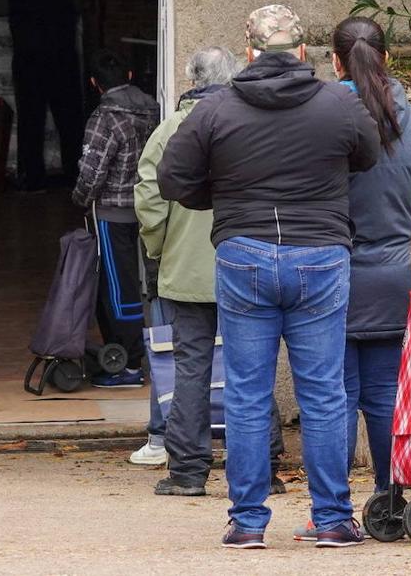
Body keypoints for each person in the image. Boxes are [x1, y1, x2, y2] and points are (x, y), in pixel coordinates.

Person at [158, 5, 381, 549]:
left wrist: (223, 201)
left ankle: (248, 522)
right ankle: (332, 518)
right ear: (302, 51)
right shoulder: (337, 103)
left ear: (250, 50)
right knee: (325, 392)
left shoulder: (216, 110)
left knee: (247, 393)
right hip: (321, 256)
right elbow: (368, 156)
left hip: (243, 255)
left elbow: (171, 179)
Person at [293, 17, 411, 540]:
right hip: (394, 273)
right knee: (384, 395)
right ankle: (389, 498)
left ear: (334, 61)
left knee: (331, 399)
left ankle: (330, 511)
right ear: (387, 58)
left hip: (333, 273)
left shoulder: (324, 119)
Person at [132, 47, 289, 495]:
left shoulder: (167, 132)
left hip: (186, 270)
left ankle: (187, 471)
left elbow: (149, 200)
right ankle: (263, 467)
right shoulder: (249, 125)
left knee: (191, 368)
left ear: (189, 77)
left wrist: (162, 250)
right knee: (251, 368)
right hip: (249, 261)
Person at [71, 50, 158, 388]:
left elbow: (91, 174)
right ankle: (156, 354)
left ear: (95, 84)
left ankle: (129, 364)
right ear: (131, 75)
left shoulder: (104, 117)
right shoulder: (154, 108)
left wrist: (79, 200)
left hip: (112, 214)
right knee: (152, 284)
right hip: (150, 209)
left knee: (117, 289)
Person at [5, 0, 85, 192]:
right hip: (62, 51)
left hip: (28, 53)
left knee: (31, 119)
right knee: (69, 119)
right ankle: (74, 176)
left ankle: (33, 178)